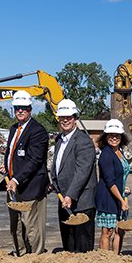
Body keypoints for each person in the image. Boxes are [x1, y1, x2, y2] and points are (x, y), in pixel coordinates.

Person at [0, 91, 49, 256]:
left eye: (24, 108)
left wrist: (16, 179)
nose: (20, 111)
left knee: (32, 226)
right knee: (16, 225)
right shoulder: (14, 128)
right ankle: (21, 255)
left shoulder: (38, 131)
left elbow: (34, 160)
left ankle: (36, 257)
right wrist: (7, 167)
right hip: (14, 186)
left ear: (30, 109)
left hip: (30, 187)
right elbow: (14, 154)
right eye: (17, 108)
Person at [51, 99, 98, 253]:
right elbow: (59, 166)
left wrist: (70, 195)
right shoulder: (59, 140)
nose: (65, 120)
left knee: (82, 245)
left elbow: (82, 172)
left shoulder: (84, 141)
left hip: (81, 202)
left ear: (75, 119)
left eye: (69, 117)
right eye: (62, 117)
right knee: (68, 243)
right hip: (64, 199)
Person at [95, 119, 131, 255]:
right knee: (107, 231)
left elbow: (119, 175)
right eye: (110, 135)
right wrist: (122, 201)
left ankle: (115, 258)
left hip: (117, 196)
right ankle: (105, 260)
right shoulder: (106, 155)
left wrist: (124, 188)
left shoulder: (119, 152)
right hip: (108, 198)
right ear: (105, 136)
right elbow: (110, 181)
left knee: (119, 230)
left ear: (122, 137)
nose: (114, 137)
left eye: (117, 135)